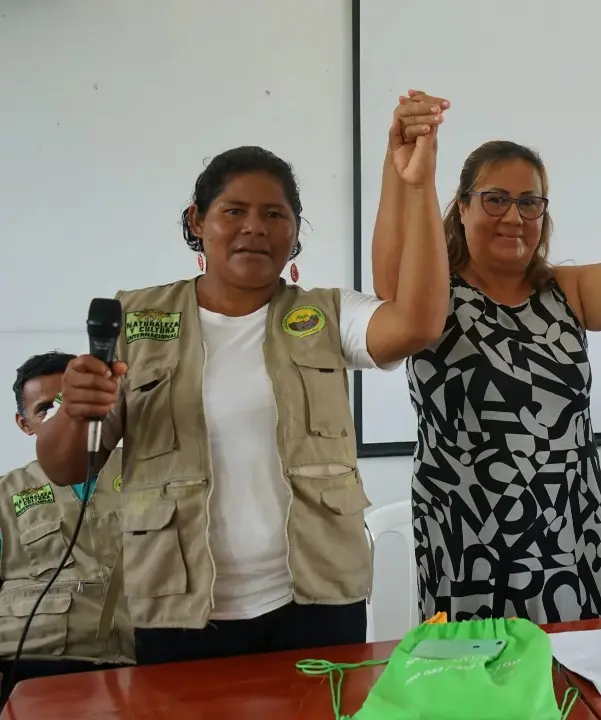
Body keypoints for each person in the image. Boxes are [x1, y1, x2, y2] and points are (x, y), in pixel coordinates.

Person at [34, 96, 449, 665]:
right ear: (197, 221)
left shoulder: (328, 315)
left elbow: (420, 323)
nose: (255, 227)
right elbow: (64, 468)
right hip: (179, 613)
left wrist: (419, 183)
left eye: (275, 215)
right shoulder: (138, 320)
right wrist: (76, 411)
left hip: (317, 604)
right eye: (234, 211)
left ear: (295, 233)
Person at [371, 95, 601, 623]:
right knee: (473, 693)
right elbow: (390, 277)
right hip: (465, 541)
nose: (514, 217)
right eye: (495, 199)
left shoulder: (565, 291)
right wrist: (406, 166)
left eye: (530, 202)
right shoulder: (429, 296)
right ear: (463, 205)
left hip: (567, 537)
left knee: (567, 684)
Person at [0, 352, 132, 697]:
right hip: (34, 664)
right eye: (46, 408)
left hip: (139, 660)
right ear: (25, 424)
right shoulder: (4, 495)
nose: (63, 416)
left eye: (68, 401)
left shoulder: (148, 471)